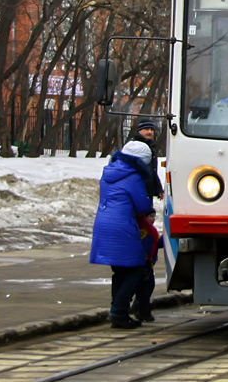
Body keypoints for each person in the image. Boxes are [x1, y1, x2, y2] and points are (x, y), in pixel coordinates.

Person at [89, 141, 155, 329]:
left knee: (120, 271)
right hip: (122, 225)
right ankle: (119, 312)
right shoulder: (133, 176)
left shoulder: (109, 171)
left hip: (104, 224)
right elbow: (143, 205)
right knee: (136, 270)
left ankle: (117, 310)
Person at [131, 207, 160, 322]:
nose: (153, 219)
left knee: (149, 285)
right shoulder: (141, 229)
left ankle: (141, 308)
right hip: (141, 262)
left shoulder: (152, 230)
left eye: (154, 216)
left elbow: (158, 242)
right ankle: (142, 310)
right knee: (145, 286)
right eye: (150, 216)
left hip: (149, 262)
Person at [128, 119, 164, 199]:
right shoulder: (134, 147)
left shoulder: (150, 147)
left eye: (151, 130)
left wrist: (158, 188)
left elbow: (152, 170)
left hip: (147, 191)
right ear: (139, 131)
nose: (150, 132)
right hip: (137, 190)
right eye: (146, 129)